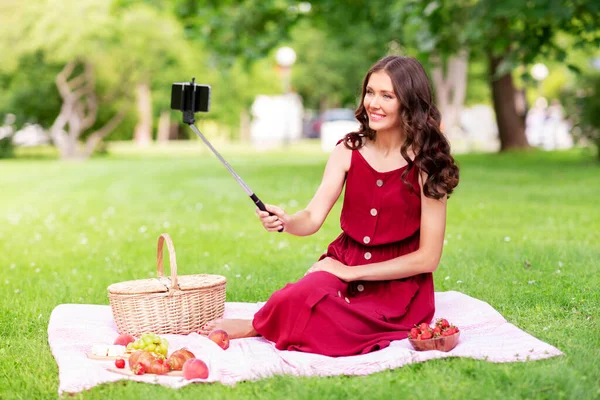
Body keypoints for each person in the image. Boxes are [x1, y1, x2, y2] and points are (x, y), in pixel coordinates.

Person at [200, 55, 460, 357]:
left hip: (399, 287)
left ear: (409, 103)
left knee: (337, 331)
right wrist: (286, 220)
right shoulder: (348, 150)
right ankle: (260, 323)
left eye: (387, 95)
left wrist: (352, 274)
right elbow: (311, 218)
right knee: (301, 293)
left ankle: (259, 325)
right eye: (370, 92)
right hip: (342, 262)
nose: (374, 103)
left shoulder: (429, 163)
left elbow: (428, 258)